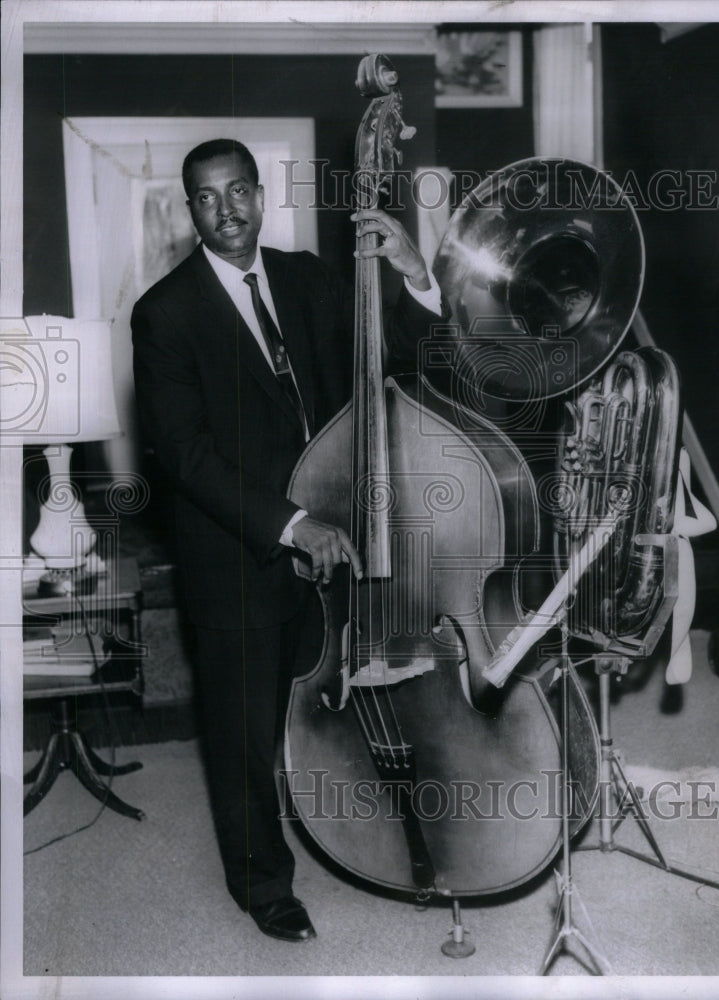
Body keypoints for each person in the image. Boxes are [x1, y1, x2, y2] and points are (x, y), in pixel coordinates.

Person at [131, 139, 442, 942]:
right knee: (244, 735)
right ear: (188, 209)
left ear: (261, 194)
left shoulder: (305, 276)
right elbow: (186, 453)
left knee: (336, 710)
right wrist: (293, 525)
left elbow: (400, 358)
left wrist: (412, 271)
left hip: (342, 539)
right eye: (208, 198)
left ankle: (371, 839)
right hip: (240, 553)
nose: (228, 210)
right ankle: (263, 886)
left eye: (240, 191)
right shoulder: (163, 313)